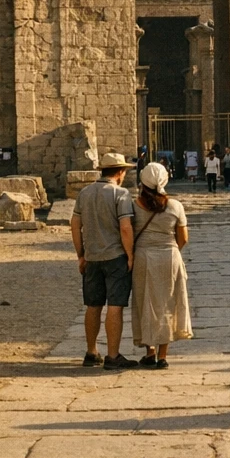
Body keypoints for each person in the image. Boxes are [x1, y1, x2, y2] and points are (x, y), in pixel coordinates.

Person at [72, 152, 140, 369]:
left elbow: (75, 225)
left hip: (92, 257)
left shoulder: (84, 193)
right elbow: (125, 227)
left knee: (93, 305)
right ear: (120, 172)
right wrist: (130, 255)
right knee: (115, 305)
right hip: (115, 256)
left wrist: (81, 254)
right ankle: (113, 355)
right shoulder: (120, 194)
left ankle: (91, 351)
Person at [130, 163, 192, 368]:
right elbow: (183, 238)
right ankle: (163, 355)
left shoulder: (134, 206)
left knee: (145, 301)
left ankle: (150, 351)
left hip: (143, 257)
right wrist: (172, 251)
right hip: (169, 256)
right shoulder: (175, 206)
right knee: (168, 303)